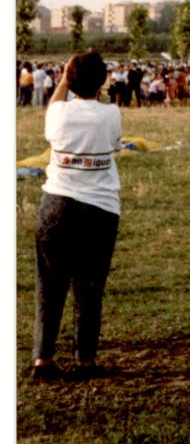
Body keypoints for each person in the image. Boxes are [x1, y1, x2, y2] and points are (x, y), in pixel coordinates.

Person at [32, 51, 122, 381]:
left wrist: (64, 80)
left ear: (71, 78)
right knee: (90, 287)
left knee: (49, 284)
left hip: (56, 203)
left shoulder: (58, 113)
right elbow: (114, 146)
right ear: (102, 81)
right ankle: (85, 359)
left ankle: (43, 358)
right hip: (99, 207)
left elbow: (54, 107)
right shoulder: (111, 114)